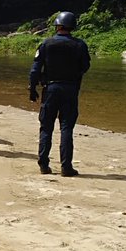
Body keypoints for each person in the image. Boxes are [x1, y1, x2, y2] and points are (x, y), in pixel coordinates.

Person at [29, 11, 91, 176]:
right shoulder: (80, 45)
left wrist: (32, 88)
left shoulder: (46, 44)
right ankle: (66, 167)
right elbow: (85, 67)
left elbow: (35, 69)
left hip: (50, 89)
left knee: (46, 127)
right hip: (70, 89)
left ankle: (43, 164)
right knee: (66, 128)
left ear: (58, 25)